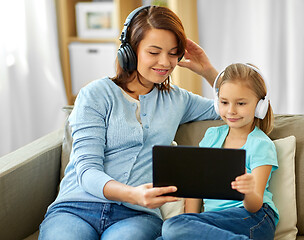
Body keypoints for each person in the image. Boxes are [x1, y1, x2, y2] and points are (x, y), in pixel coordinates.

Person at [39, 5, 219, 240]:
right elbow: (87, 171)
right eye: (154, 52)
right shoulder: (95, 94)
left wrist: (207, 70)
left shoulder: (178, 100)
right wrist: (133, 194)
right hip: (76, 208)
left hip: (136, 216)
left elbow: (248, 108)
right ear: (130, 52)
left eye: (173, 53)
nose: (165, 62)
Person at [159, 63, 279, 240]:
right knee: (170, 232)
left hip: (254, 218)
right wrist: (190, 221)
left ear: (260, 105)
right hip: (214, 222)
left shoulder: (261, 144)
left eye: (241, 103)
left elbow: (255, 205)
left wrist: (248, 190)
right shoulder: (212, 136)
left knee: (172, 227)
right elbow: (196, 187)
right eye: (224, 102)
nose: (231, 110)